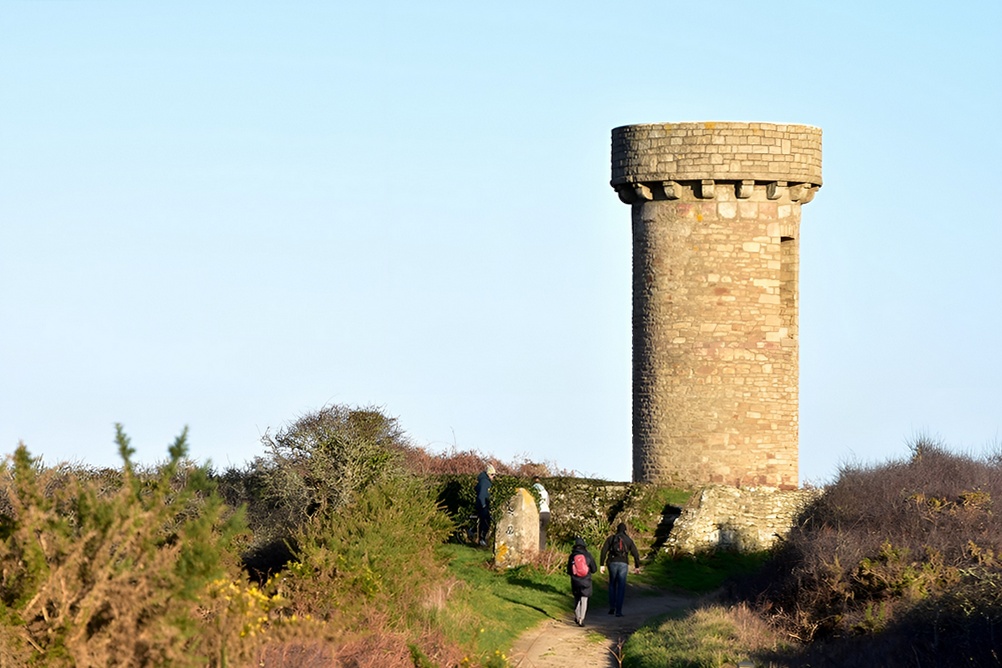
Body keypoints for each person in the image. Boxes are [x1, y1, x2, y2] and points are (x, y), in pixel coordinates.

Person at [599, 522, 642, 617]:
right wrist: (637, 566)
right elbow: (636, 554)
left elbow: (603, 550)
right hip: (623, 563)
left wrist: (602, 564)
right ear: (625, 530)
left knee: (612, 585)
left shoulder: (611, 538)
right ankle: (618, 611)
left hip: (612, 562)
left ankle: (611, 607)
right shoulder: (629, 540)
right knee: (621, 587)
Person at [566, 537, 597, 627]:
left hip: (575, 580)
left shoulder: (572, 556)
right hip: (586, 580)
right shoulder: (588, 555)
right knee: (584, 599)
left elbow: (569, 570)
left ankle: (577, 615)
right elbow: (594, 569)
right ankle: (581, 619)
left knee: (576, 598)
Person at [474, 464, 496, 546]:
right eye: (492, 474)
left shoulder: (483, 480)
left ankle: (475, 534)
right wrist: (483, 505)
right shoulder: (485, 482)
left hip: (482, 504)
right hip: (483, 505)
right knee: (486, 522)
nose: (493, 476)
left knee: (483, 521)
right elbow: (482, 495)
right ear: (488, 474)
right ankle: (481, 539)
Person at [532, 475, 550, 551]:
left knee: (535, 531)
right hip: (546, 512)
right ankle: (542, 549)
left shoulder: (532, 490)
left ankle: (534, 550)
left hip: (538, 512)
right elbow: (547, 502)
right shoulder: (545, 491)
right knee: (543, 531)